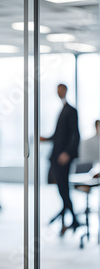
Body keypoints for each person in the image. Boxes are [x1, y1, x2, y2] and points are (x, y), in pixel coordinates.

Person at [40, 83, 80, 236]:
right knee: (61, 190)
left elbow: (75, 135)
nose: (59, 92)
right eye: (57, 90)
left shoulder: (71, 110)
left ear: (66, 91)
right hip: (56, 156)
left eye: (61, 90)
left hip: (63, 157)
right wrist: (45, 139)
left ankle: (73, 219)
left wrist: (68, 153)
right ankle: (68, 218)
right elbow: (59, 136)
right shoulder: (62, 110)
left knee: (63, 190)